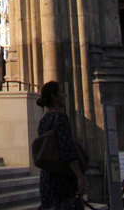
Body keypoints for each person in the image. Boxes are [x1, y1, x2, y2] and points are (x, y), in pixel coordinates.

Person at [36, 81, 87, 210]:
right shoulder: (61, 118)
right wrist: (79, 176)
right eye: (62, 92)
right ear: (54, 96)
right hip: (62, 180)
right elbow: (67, 150)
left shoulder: (44, 120)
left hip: (47, 178)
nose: (65, 95)